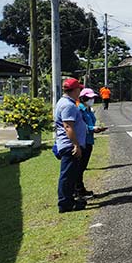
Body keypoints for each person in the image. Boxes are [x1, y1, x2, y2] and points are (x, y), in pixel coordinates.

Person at [54, 78, 87, 213]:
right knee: (67, 175)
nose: (80, 91)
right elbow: (68, 126)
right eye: (79, 88)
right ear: (75, 90)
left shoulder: (66, 103)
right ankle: (65, 203)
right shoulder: (68, 105)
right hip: (69, 145)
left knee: (71, 174)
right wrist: (76, 145)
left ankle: (69, 200)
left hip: (69, 144)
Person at [76, 88, 106, 197]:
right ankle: (78, 190)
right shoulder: (79, 109)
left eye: (93, 98)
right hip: (82, 140)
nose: (92, 99)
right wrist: (92, 128)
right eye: (89, 98)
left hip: (89, 140)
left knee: (83, 166)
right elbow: (79, 126)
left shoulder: (89, 109)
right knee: (79, 167)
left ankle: (80, 188)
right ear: (83, 98)